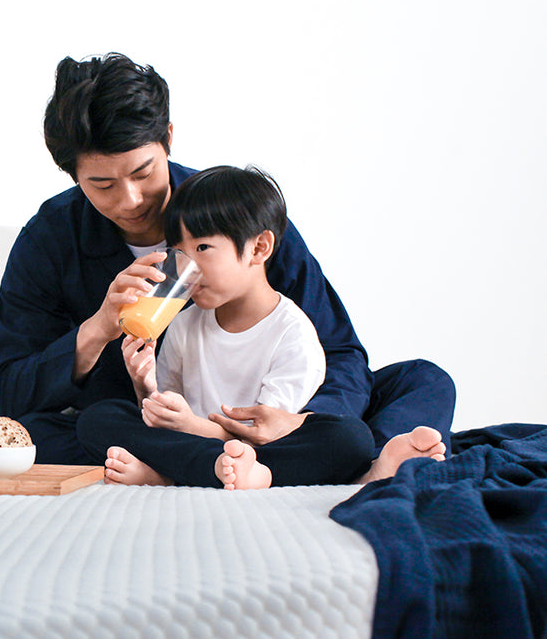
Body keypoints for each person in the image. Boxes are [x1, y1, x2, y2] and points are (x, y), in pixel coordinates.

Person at [0, 52, 453, 484]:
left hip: (273, 418)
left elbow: (341, 352)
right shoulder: (49, 239)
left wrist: (300, 421)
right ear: (73, 176)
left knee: (422, 380)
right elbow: (8, 396)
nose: (130, 200)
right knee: (46, 431)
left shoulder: (234, 214)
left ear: (167, 138)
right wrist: (95, 331)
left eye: (144, 172)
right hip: (150, 423)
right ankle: (324, 465)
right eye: (102, 184)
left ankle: (321, 455)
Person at [102, 165, 373, 489]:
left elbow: (264, 433)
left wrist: (192, 426)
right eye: (180, 252)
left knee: (348, 439)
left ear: (259, 248)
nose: (188, 267)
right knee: (101, 417)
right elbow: (166, 420)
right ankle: (203, 471)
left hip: (259, 448)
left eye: (202, 248)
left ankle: (176, 474)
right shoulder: (185, 323)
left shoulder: (292, 333)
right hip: (196, 446)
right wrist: (145, 387)